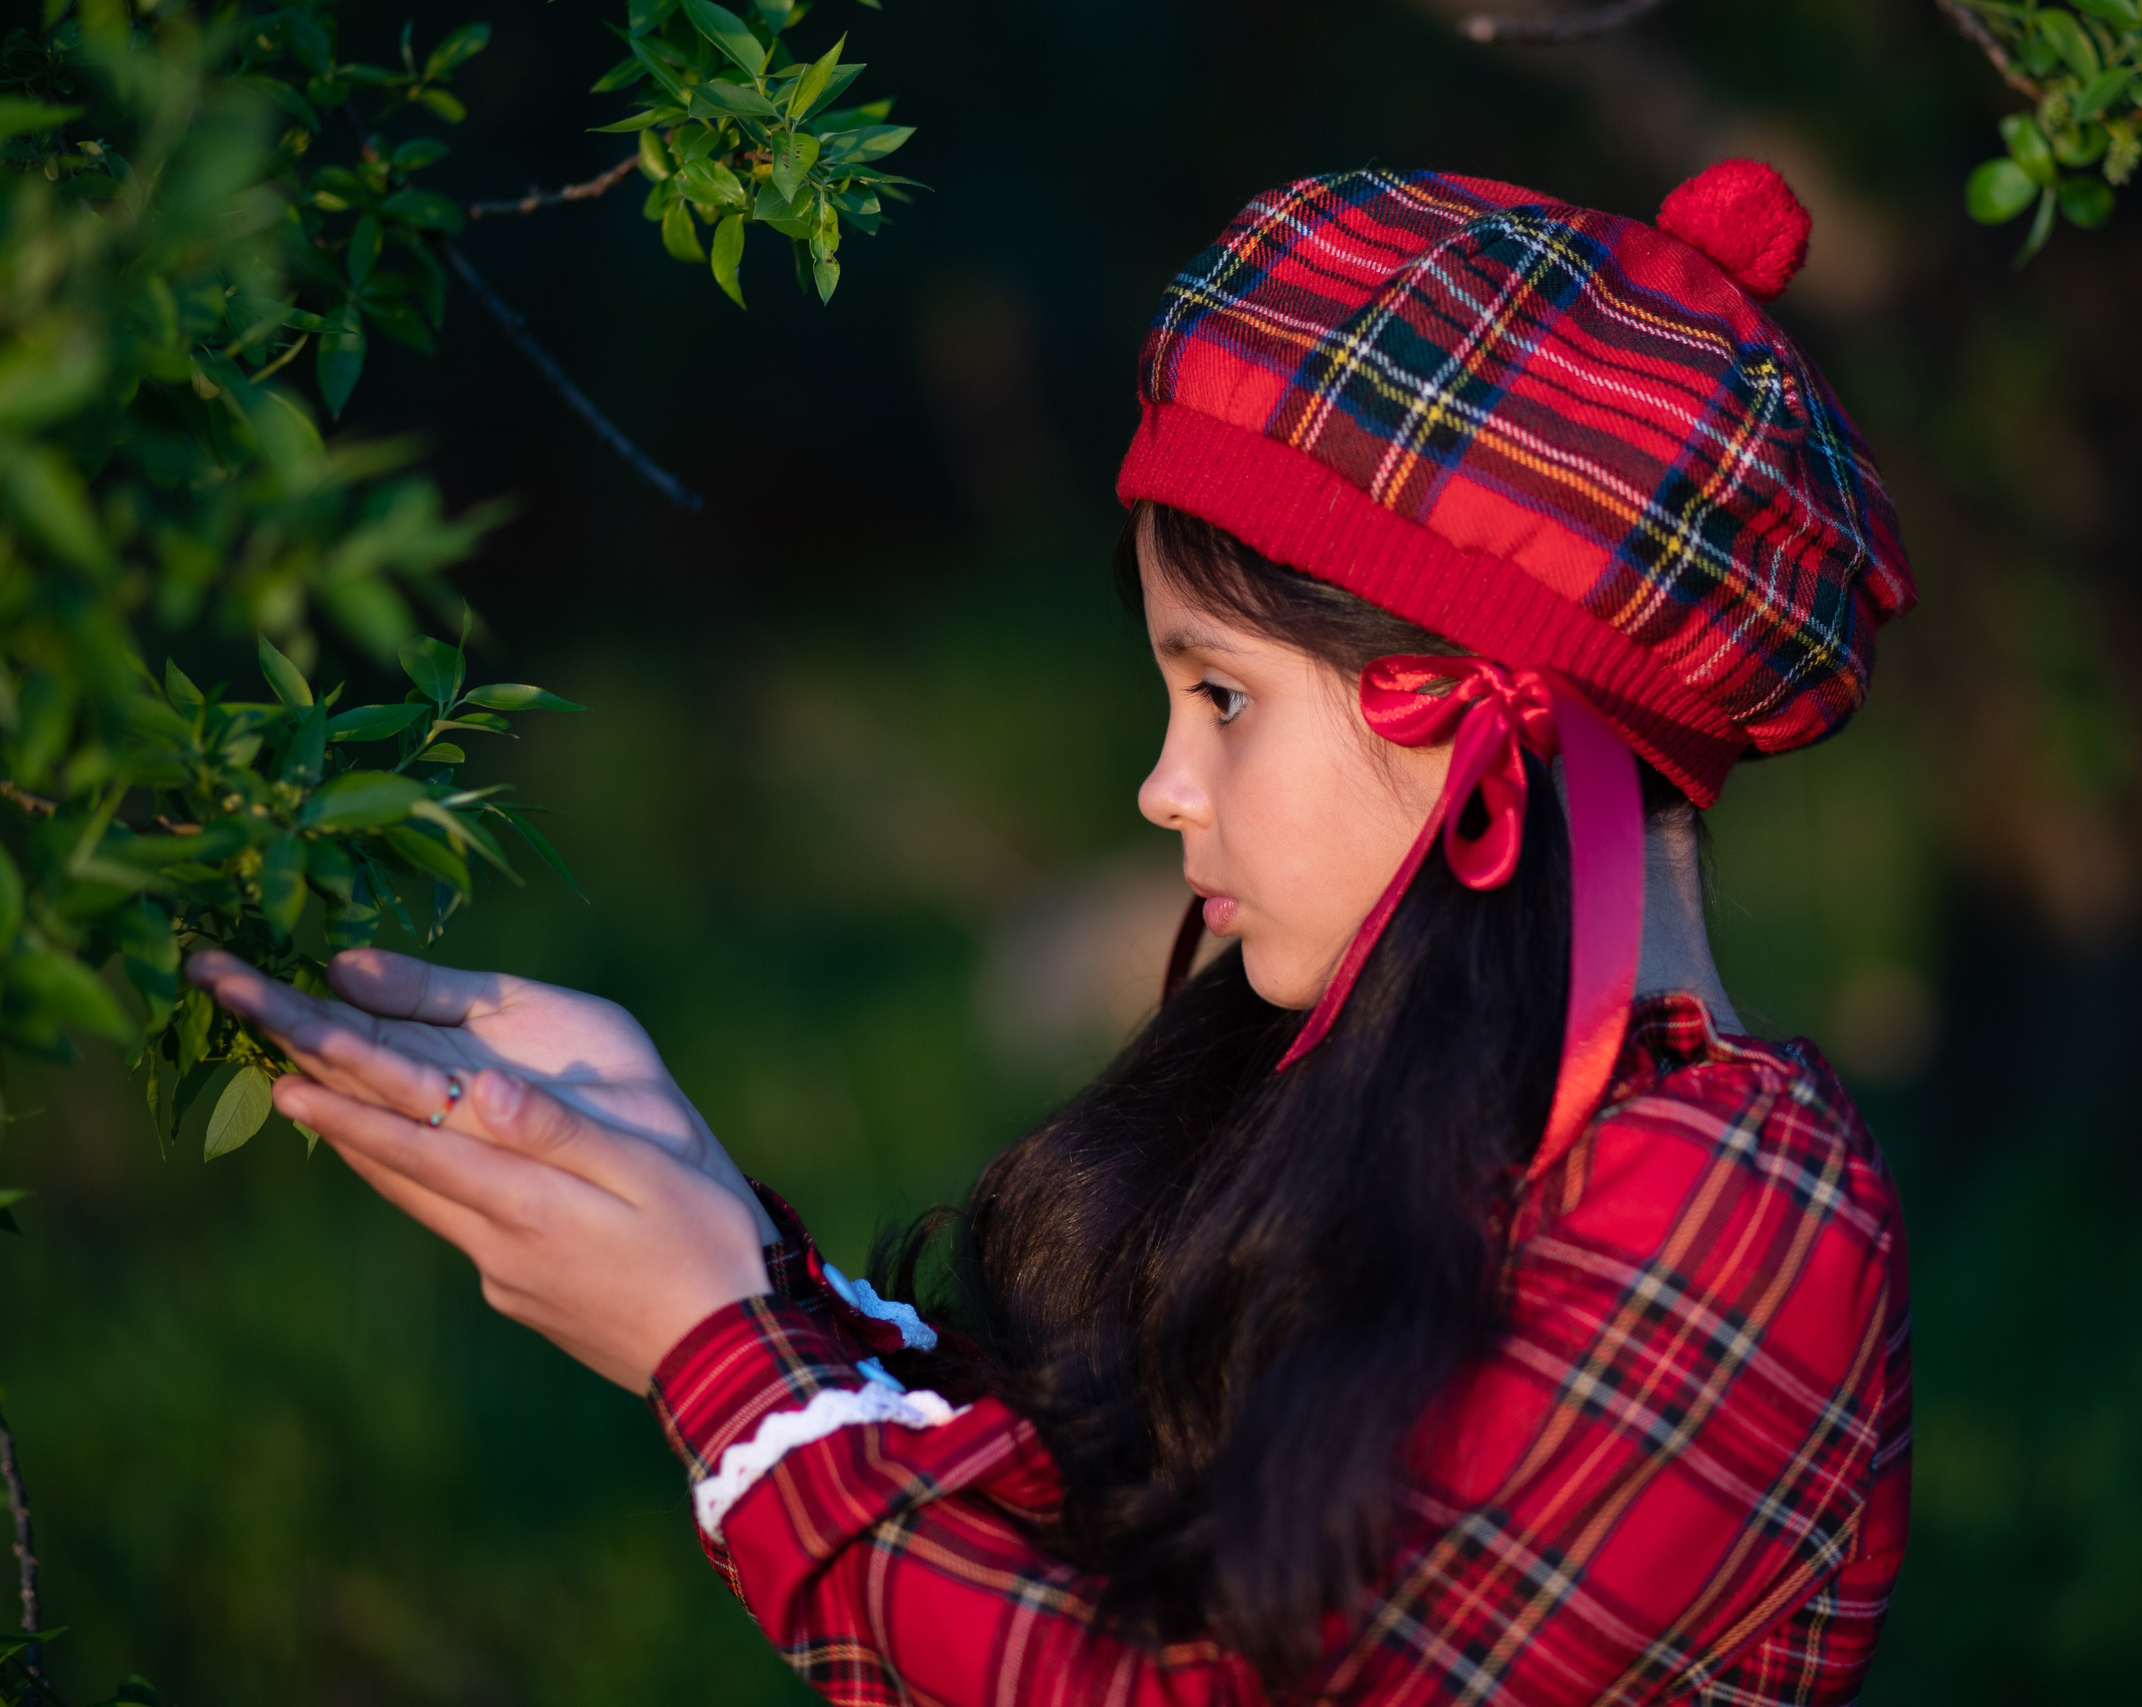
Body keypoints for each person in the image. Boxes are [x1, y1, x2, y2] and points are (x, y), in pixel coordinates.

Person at [190, 160, 1918, 1705]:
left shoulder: (1743, 1212)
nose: (1165, 788)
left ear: (1479, 723)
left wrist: (722, 1364)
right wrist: (700, 1223)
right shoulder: (1408, 1101)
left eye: (1222, 696)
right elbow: (1108, 1549)